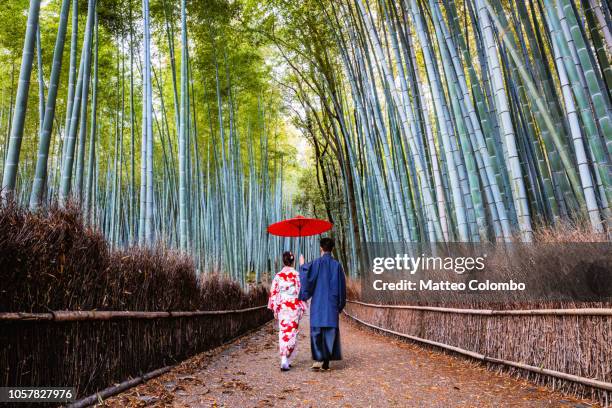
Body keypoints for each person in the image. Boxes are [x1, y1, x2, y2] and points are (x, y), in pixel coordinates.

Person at [299, 237, 346, 371]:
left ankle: (319, 360)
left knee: (317, 330)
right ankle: (326, 362)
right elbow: (342, 287)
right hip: (331, 303)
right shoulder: (337, 266)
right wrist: (340, 304)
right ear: (332, 249)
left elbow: (306, 278)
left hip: (319, 303)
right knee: (330, 331)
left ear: (321, 248)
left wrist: (302, 265)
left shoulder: (316, 263)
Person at [268, 251, 308, 371]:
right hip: (293, 306)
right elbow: (302, 290)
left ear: (283, 261)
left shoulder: (278, 276)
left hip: (282, 307)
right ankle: (286, 358)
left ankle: (284, 358)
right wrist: (302, 306)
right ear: (293, 261)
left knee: (283, 331)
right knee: (292, 332)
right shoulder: (297, 275)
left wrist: (275, 309)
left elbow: (273, 293)